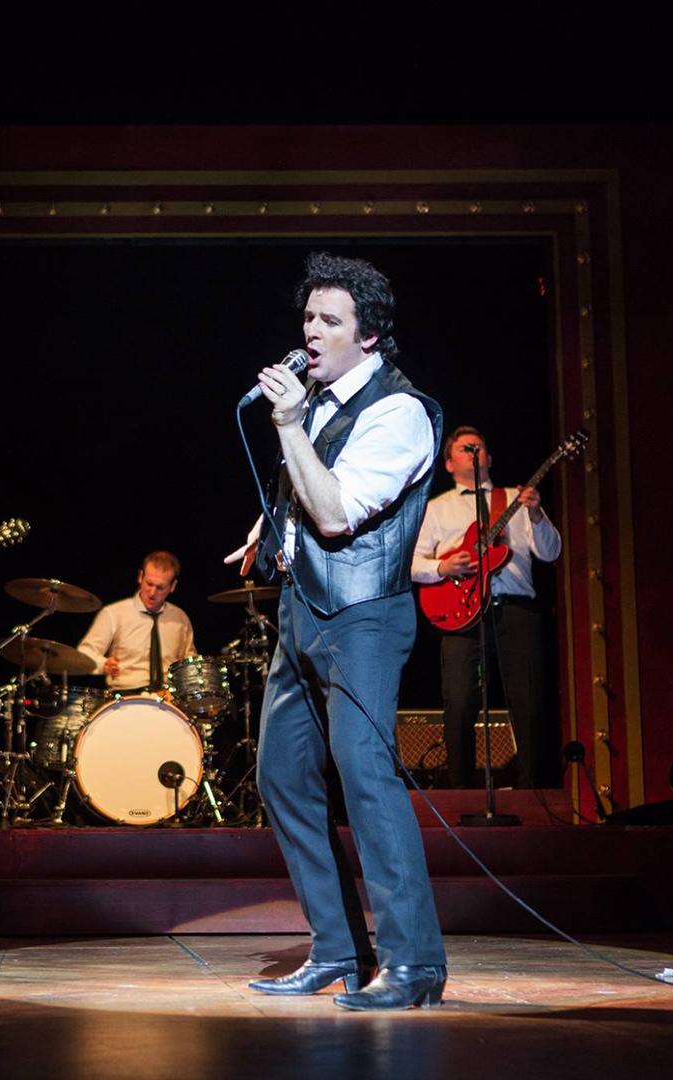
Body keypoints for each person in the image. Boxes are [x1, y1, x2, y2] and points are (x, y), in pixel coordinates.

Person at [223, 252, 448, 1010]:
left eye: (329, 321)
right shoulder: (316, 402)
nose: (310, 334)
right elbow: (302, 487)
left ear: (371, 335)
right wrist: (266, 524)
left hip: (365, 619)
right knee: (281, 774)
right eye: (307, 319)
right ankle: (338, 950)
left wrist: (288, 424)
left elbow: (337, 510)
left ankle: (415, 965)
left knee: (365, 775)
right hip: (302, 612)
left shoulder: (400, 413)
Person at [412, 426, 563, 788]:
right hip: (461, 614)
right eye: (464, 449)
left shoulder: (515, 499)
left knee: (528, 703)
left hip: (515, 611)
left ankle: (532, 793)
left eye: (478, 446)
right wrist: (442, 568)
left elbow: (551, 551)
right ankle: (460, 793)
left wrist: (538, 515)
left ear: (488, 458)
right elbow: (412, 563)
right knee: (461, 702)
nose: (472, 450)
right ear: (449, 464)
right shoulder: (437, 508)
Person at [76, 551, 197, 694]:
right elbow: (84, 653)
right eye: (149, 584)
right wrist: (103, 665)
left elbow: (191, 665)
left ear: (172, 586)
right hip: (126, 696)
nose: (152, 592)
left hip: (168, 699)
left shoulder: (180, 618)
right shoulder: (114, 614)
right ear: (140, 577)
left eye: (160, 587)